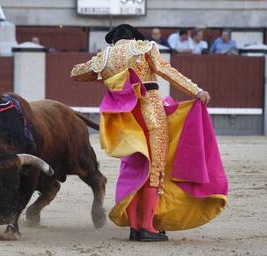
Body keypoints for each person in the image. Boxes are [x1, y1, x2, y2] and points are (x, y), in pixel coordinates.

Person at [70, 24, 228, 242]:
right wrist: (195, 90)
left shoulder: (104, 57)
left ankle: (135, 228)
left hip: (126, 120)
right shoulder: (144, 47)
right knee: (154, 170)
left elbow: (76, 73)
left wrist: (105, 74)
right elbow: (165, 70)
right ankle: (147, 227)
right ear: (134, 38)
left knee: (135, 170)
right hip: (151, 113)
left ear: (114, 41)